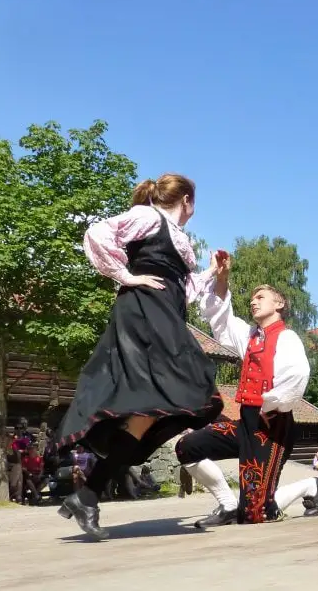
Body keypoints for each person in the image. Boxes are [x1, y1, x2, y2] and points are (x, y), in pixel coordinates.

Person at [54, 175, 224, 539]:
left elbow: (182, 288)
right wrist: (126, 277)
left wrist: (212, 272)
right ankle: (88, 492)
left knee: (149, 412)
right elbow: (98, 233)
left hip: (164, 316)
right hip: (143, 315)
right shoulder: (148, 218)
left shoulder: (178, 239)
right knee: (193, 388)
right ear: (188, 200)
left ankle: (87, 495)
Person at [175, 256, 318, 528]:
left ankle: (310, 486)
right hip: (246, 422)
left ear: (279, 304)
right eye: (253, 298)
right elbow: (222, 317)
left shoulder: (287, 338)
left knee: (256, 515)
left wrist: (271, 405)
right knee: (187, 447)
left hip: (271, 425)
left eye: (261, 297)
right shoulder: (249, 336)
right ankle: (228, 503)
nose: (253, 301)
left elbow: (296, 376)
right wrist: (222, 277)